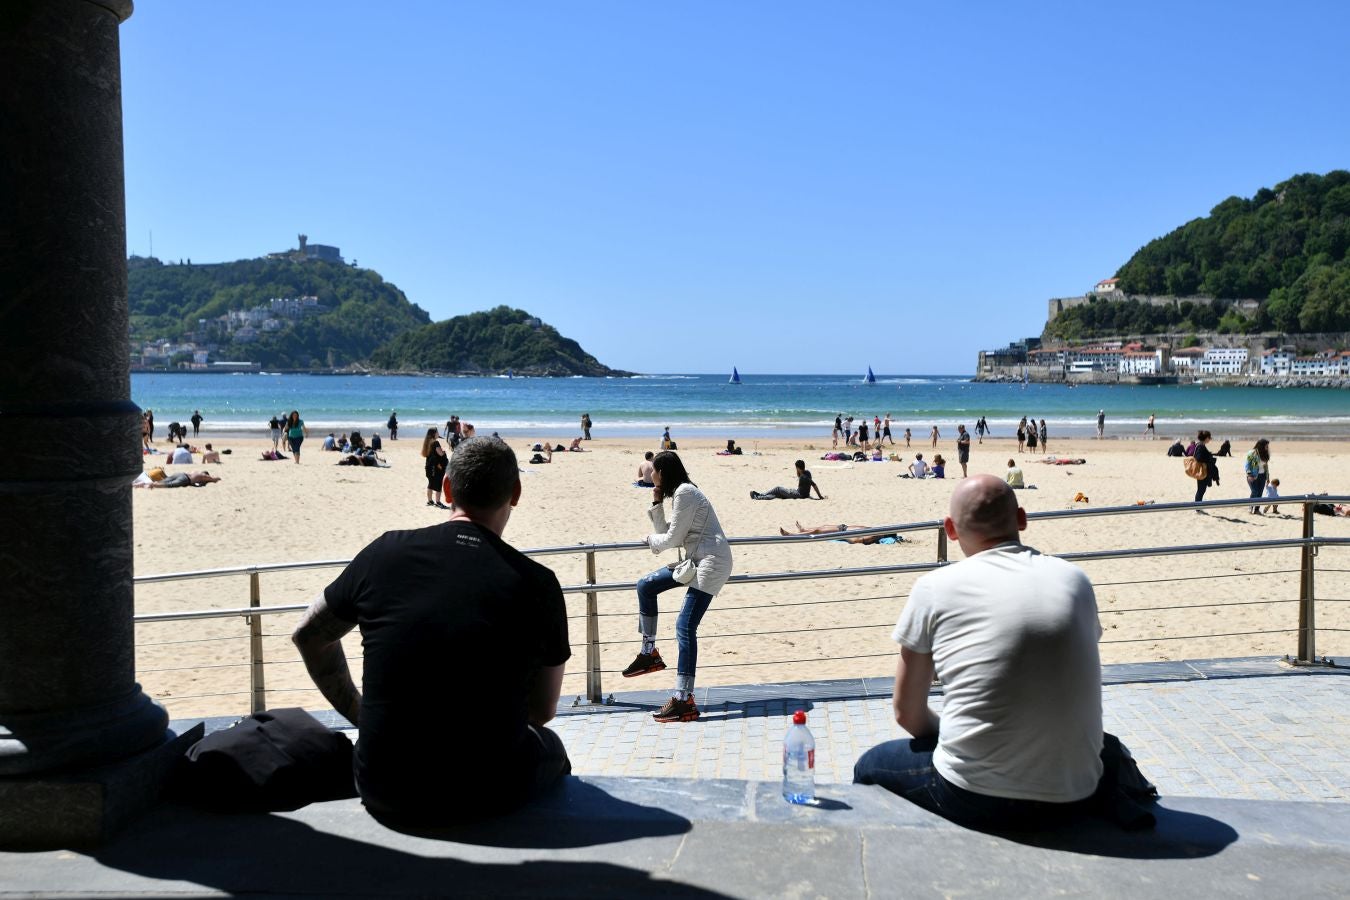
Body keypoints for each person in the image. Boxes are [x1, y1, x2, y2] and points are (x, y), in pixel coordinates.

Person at [292, 437, 570, 823]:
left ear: (448, 488)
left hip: (383, 786)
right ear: (516, 493)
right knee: (552, 748)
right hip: (491, 791)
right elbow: (542, 710)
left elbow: (308, 633)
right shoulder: (538, 584)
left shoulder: (384, 553)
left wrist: (362, 714)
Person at [853, 476, 1104, 830]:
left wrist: (954, 732)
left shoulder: (934, 588)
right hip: (1078, 791)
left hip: (976, 796)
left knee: (869, 766)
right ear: (1021, 518)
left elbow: (906, 713)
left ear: (951, 530)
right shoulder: (1075, 580)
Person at [622, 451, 733, 723]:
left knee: (685, 627)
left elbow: (670, 539)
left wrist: (649, 540)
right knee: (645, 586)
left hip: (710, 562)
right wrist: (656, 501)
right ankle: (649, 654)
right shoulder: (681, 493)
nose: (651, 475)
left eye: (654, 471)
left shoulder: (685, 492)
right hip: (694, 561)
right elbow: (670, 531)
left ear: (663, 471)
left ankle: (684, 699)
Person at [751, 460, 824, 500]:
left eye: (796, 468)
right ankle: (760, 496)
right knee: (777, 495)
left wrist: (820, 496)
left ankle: (760, 495)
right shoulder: (807, 472)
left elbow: (814, 485)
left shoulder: (804, 476)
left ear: (798, 468)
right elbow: (812, 485)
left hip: (799, 495)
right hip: (800, 494)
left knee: (778, 489)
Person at [780, 522, 900, 545]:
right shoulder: (875, 530)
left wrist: (844, 537)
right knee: (821, 527)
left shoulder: (875, 535)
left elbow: (857, 540)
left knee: (818, 531)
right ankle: (804, 530)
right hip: (843, 528)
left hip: (842, 532)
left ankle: (791, 535)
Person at [1192, 429, 1219, 504]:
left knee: (1201, 490)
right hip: (1202, 470)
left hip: (1202, 470)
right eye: (1210, 438)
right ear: (1206, 438)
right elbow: (1198, 458)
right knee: (1201, 490)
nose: (1210, 439)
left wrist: (1208, 455)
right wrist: (1209, 458)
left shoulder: (1200, 445)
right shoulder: (1201, 446)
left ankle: (1198, 506)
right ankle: (1197, 506)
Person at [1245, 439, 1270, 515]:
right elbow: (1247, 465)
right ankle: (1250, 507)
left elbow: (1266, 466)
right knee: (1254, 491)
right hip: (1253, 476)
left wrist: (1268, 477)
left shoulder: (1265, 453)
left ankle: (1256, 509)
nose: (1267, 447)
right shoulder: (1252, 453)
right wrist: (1249, 474)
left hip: (1262, 476)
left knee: (1259, 493)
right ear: (1262, 446)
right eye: (1266, 445)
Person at [424, 441, 449, 508]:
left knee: (430, 483)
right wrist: (444, 452)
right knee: (439, 483)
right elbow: (440, 453)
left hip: (428, 466)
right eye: (437, 432)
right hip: (435, 467)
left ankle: (430, 501)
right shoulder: (435, 442)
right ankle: (438, 502)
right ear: (434, 433)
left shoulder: (428, 442)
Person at [134, 469, 220, 488]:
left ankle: (142, 484)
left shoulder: (194, 472)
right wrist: (215, 479)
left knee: (164, 481)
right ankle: (151, 484)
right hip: (184, 478)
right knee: (168, 485)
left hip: (180, 473)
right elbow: (210, 478)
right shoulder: (202, 475)